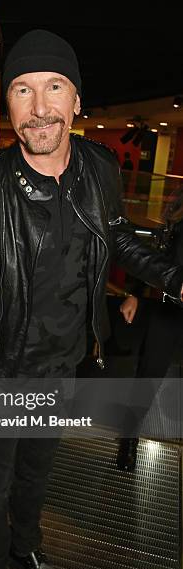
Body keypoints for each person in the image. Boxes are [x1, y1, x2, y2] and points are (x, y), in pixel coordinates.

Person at [0, 29, 183, 569]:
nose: (40, 107)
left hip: (63, 363)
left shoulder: (98, 169)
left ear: (76, 102)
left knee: (36, 476)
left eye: (54, 88)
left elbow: (118, 236)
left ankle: (28, 552)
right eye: (23, 90)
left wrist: (172, 277)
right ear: (7, 105)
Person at [117, 187, 183, 470]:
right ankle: (128, 441)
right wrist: (135, 293)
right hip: (169, 306)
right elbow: (158, 255)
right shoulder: (179, 205)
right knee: (148, 375)